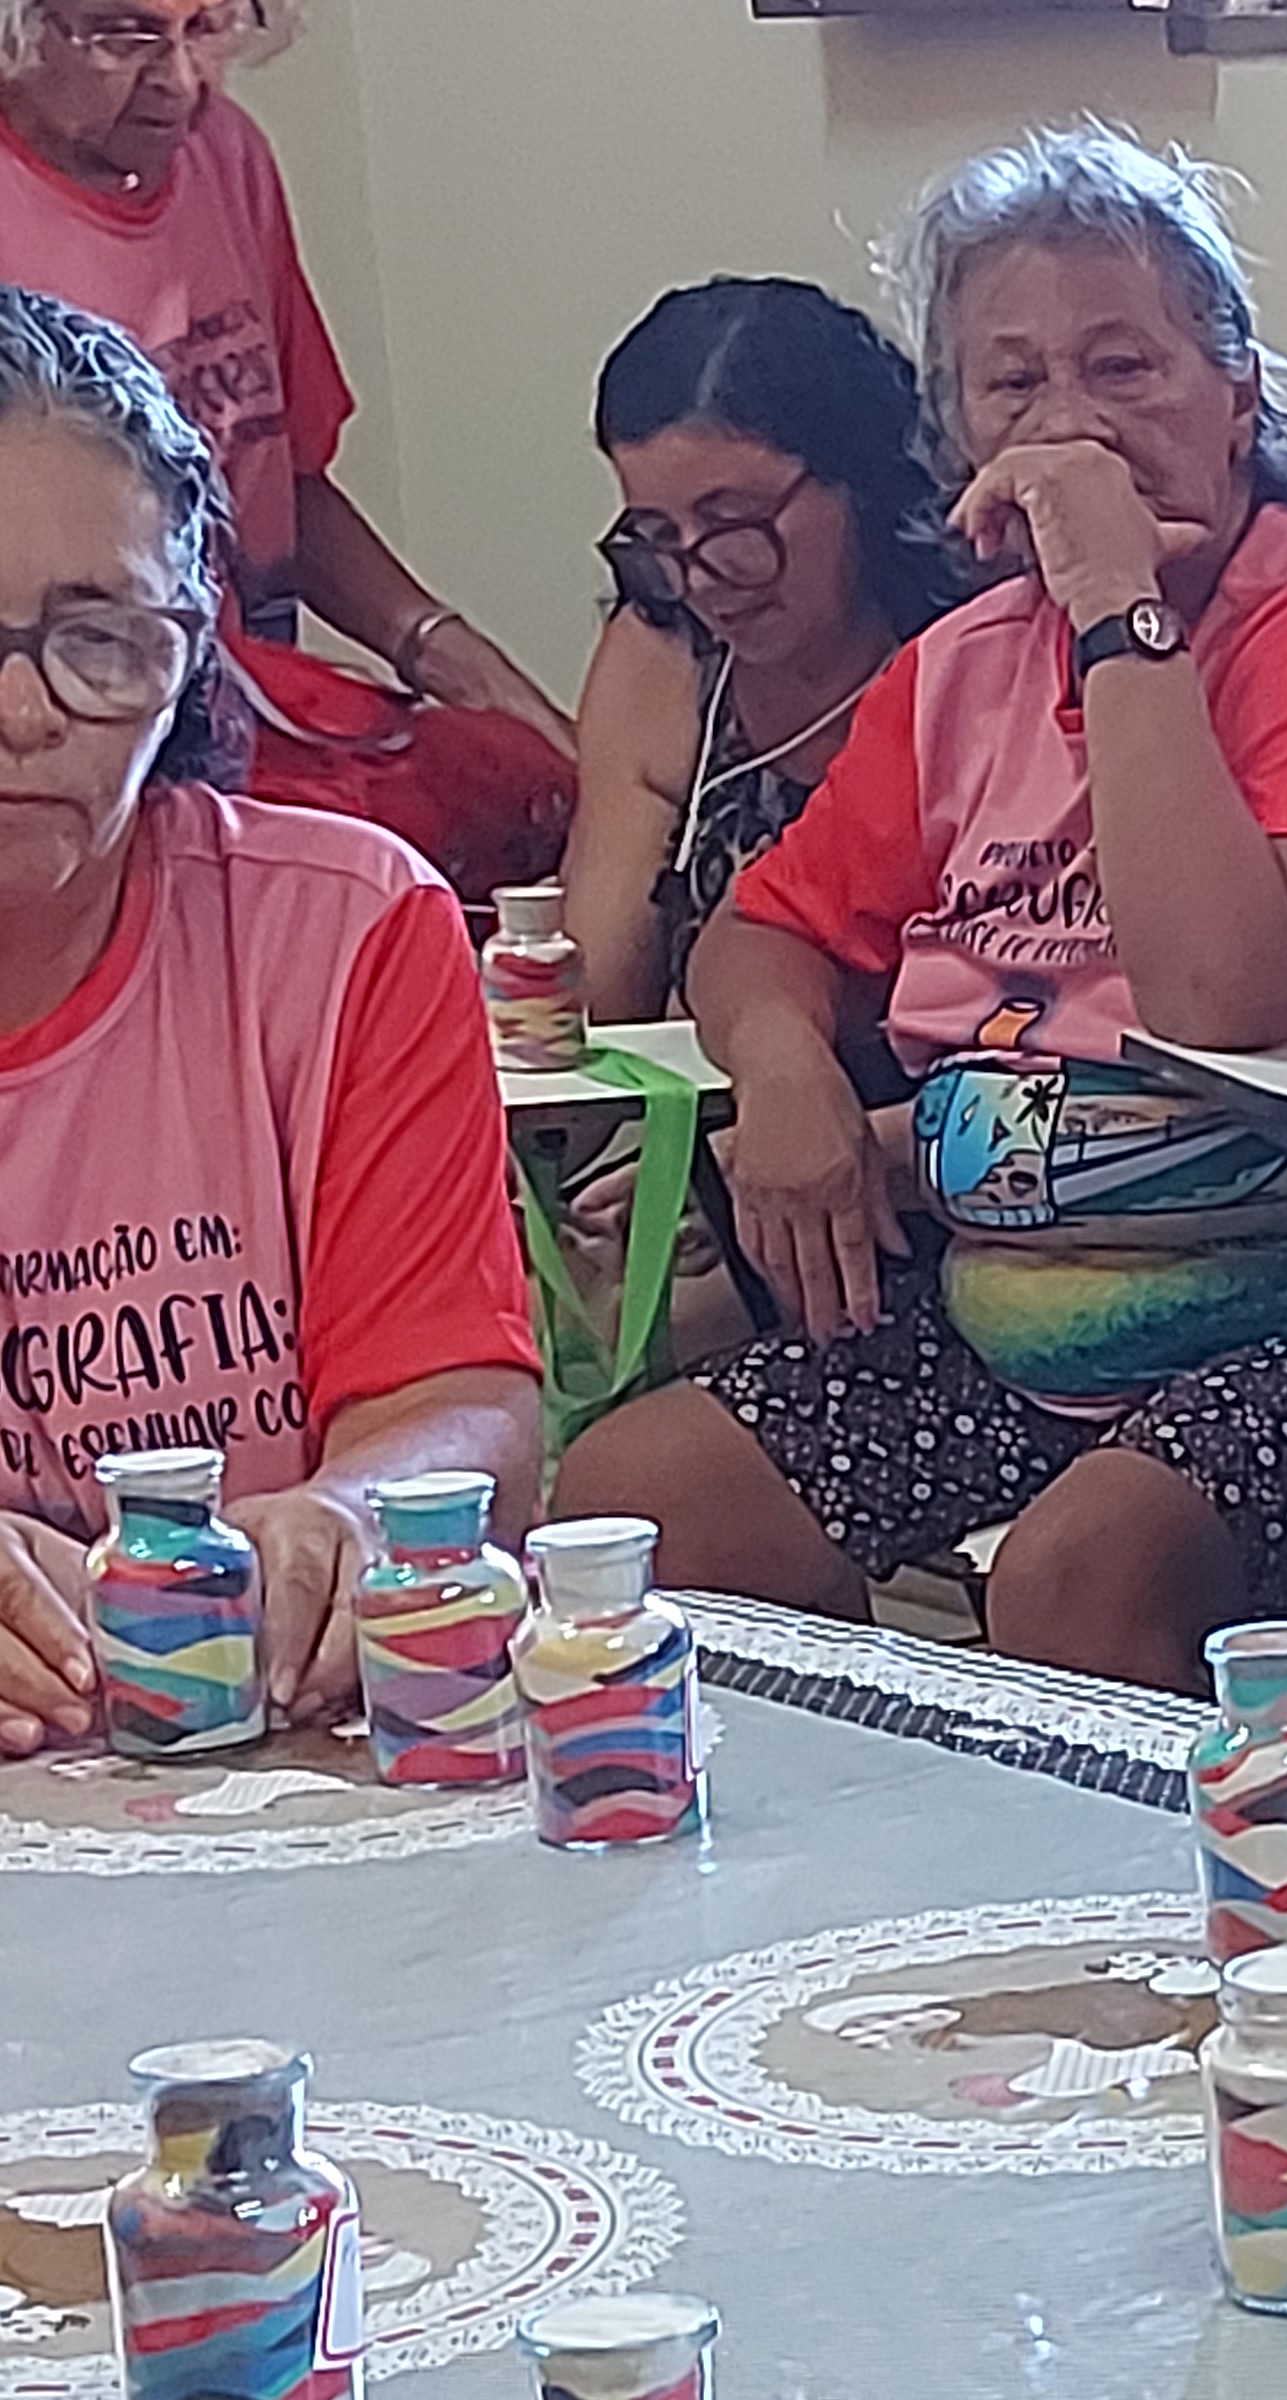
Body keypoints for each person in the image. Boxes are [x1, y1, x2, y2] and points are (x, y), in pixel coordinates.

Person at [553, 126, 1287, 1694]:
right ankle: (892, 1825)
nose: (1072, 426)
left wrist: (1116, 609)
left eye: (1125, 367)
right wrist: (789, 1074)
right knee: (636, 1501)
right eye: (1014, 383)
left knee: (1078, 1573)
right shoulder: (962, 669)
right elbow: (766, 929)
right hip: (1021, 1321)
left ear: (1239, 393)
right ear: (957, 433)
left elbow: (1222, 990)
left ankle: (1179, 1855)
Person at [0, 284, 536, 1751]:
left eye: (102, 638)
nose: (28, 713)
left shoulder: (345, 929)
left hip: (266, 1750)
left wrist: (350, 1519)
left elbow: (459, 1399)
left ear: (190, 656)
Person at [0, 0, 573, 859]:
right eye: (126, 37)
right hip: (81, 720)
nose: (183, 83)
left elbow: (286, 481)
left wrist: (451, 655)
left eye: (208, 29)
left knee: (536, 790)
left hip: (248, 700)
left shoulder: (226, 156)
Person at [564, 276, 967, 1024]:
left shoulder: (975, 657)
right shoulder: (664, 654)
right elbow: (603, 1001)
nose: (700, 576)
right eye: (658, 534)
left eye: (734, 520)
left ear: (859, 480)